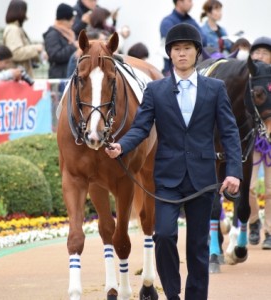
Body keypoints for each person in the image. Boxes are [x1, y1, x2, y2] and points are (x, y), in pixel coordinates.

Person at [105, 23, 242, 300]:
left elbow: (229, 132)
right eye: (177, 49)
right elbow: (141, 127)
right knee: (164, 235)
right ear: (170, 54)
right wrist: (122, 146)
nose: (182, 54)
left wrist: (234, 172)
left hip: (203, 178)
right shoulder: (155, 91)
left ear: (197, 52)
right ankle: (172, 293)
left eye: (187, 49)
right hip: (167, 178)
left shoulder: (216, 89)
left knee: (197, 247)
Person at [248, 36, 271, 250]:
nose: (260, 56)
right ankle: (253, 222)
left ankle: (270, 230)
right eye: (256, 53)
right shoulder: (247, 80)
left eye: (265, 52)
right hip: (254, 139)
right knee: (250, 186)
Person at [160, 0, 207, 76]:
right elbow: (174, 42)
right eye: (189, 1)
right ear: (179, 2)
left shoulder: (192, 21)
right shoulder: (167, 22)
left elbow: (204, 40)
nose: (192, 4)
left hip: (194, 69)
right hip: (171, 71)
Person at [3, 0, 44, 78]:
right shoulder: (13, 30)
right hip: (18, 78)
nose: (26, 16)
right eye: (25, 11)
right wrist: (35, 48)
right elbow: (15, 53)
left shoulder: (16, 28)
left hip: (21, 76)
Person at [43, 3, 77, 79]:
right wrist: (73, 46)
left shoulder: (69, 33)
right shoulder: (52, 34)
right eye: (71, 20)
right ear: (64, 20)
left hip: (67, 74)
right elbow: (54, 55)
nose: (72, 23)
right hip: (59, 77)